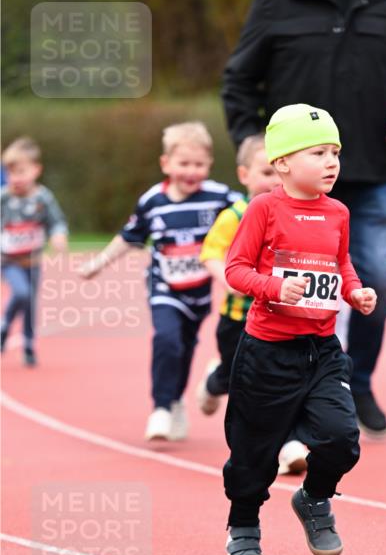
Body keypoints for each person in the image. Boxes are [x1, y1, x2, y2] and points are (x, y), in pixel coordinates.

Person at [222, 0, 386, 437]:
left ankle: (354, 382)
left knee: (376, 280)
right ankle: (293, 390)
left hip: (372, 173)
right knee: (291, 289)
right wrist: (251, 142)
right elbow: (240, 80)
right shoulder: (277, 1)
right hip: (293, 190)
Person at [222, 104, 376, 555]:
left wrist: (353, 290)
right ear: (284, 162)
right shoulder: (264, 208)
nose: (332, 162)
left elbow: (340, 261)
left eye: (335, 153)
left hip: (322, 349)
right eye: (318, 153)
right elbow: (236, 270)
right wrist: (274, 286)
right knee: (255, 449)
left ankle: (314, 498)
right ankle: (244, 526)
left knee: (342, 437)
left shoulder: (338, 212)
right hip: (267, 351)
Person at [78, 122, 242, 442]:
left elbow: (254, 214)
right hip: (164, 287)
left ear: (209, 164)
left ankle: (176, 400)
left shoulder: (221, 197)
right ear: (166, 163)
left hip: (200, 292)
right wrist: (98, 264)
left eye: (199, 164)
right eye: (183, 164)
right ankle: (161, 408)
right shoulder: (154, 201)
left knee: (184, 348)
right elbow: (130, 237)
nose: (191, 171)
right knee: (167, 339)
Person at [196, 133, 309, 476]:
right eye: (265, 173)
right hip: (238, 320)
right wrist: (230, 281)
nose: (274, 181)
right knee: (237, 380)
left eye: (279, 172)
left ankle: (288, 444)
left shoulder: (296, 213)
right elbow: (211, 253)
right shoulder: (234, 215)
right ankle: (214, 382)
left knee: (281, 382)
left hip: (281, 319)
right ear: (244, 175)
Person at [1, 137, 68, 366]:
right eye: (11, 173)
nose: (16, 178)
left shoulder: (43, 198)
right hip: (8, 261)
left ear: (35, 170)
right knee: (21, 293)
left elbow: (57, 221)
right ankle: (4, 324)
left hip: (33, 261)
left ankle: (29, 344)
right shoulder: (4, 198)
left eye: (21, 172)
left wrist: (58, 235)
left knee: (31, 303)